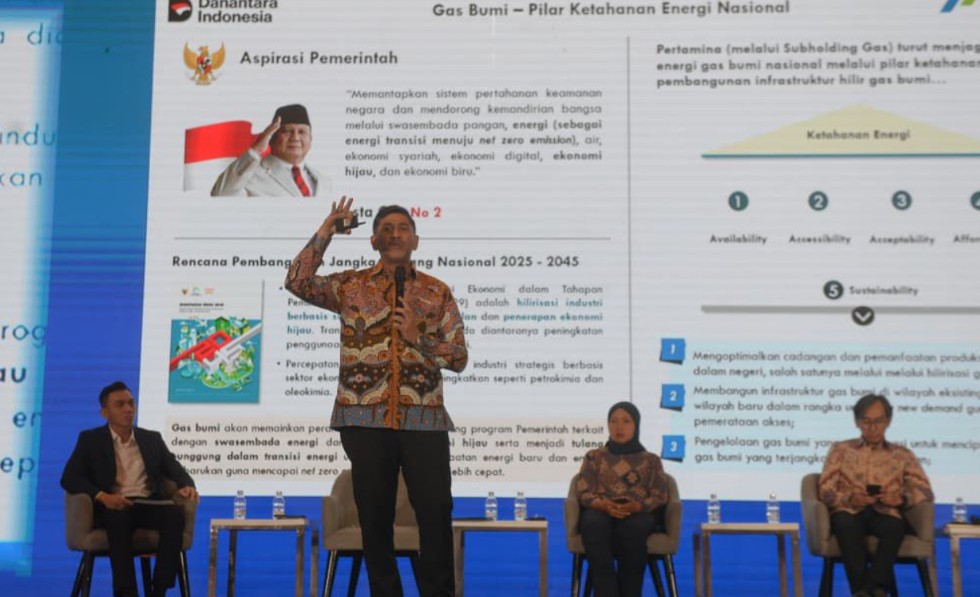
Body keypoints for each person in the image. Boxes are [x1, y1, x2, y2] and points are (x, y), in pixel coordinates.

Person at [284, 197, 467, 597]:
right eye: (386, 228)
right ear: (373, 241)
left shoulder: (437, 292)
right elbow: (297, 281)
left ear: (415, 241)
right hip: (362, 419)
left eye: (403, 228)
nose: (395, 234)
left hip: (424, 420)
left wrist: (420, 338)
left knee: (436, 513)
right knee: (374, 520)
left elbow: (459, 357)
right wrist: (326, 231)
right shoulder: (351, 285)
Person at [61, 381, 199, 597]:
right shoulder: (90, 440)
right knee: (118, 519)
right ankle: (126, 592)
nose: (128, 409)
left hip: (146, 504)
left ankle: (159, 589)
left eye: (131, 403)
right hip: (113, 505)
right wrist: (102, 496)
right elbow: (69, 477)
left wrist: (187, 486)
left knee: (174, 515)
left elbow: (176, 470)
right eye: (120, 404)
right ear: (105, 412)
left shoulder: (151, 439)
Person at [818, 394, 933, 597]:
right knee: (845, 523)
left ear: (888, 421)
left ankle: (873, 588)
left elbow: (924, 490)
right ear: (857, 422)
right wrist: (848, 498)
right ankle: (865, 591)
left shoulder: (902, 454)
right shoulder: (840, 451)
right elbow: (824, 490)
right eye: (866, 421)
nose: (872, 427)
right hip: (850, 511)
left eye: (878, 421)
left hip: (885, 511)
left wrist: (901, 499)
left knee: (894, 527)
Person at [576, 402, 669, 597]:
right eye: (614, 421)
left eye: (626, 421)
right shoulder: (594, 457)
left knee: (633, 528)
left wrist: (637, 506)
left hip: (638, 513)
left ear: (636, 425)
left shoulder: (651, 460)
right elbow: (583, 491)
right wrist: (602, 504)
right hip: (601, 510)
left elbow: (660, 495)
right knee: (592, 523)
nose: (619, 427)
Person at [210, 103, 330, 197]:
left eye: (302, 132)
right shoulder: (250, 174)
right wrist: (256, 150)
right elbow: (220, 195)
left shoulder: (323, 181)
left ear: (311, 139)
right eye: (287, 132)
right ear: (271, 138)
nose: (295, 138)